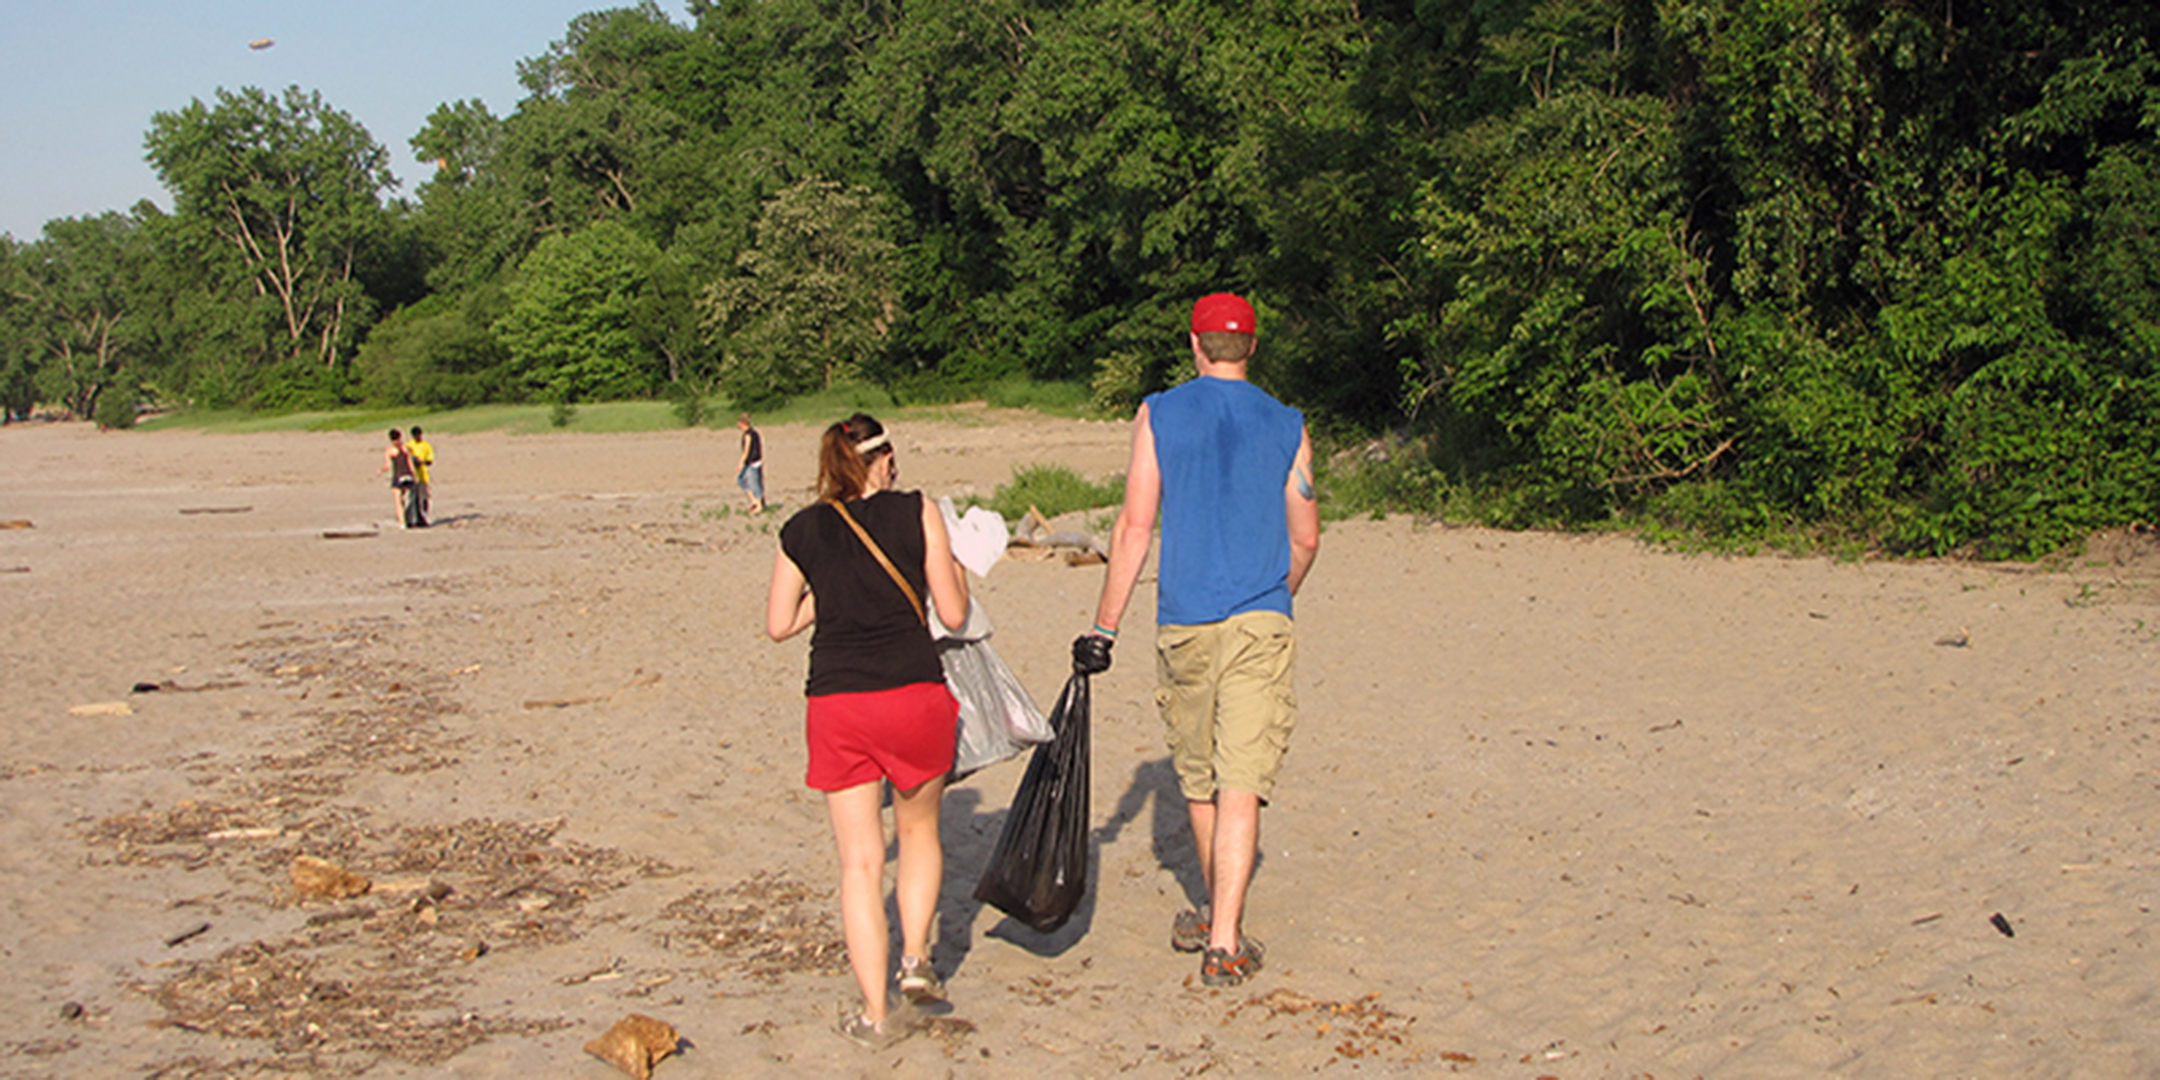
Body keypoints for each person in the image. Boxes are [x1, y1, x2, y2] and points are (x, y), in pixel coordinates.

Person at [1081, 292, 1319, 988]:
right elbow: (1305, 538)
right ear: (1252, 347)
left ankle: (1217, 920)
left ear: (1194, 343)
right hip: (1261, 617)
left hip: (1185, 618)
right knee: (1242, 776)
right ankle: (1225, 941)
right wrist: (1275, 595)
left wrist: (1104, 626)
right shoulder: (1288, 424)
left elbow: (1134, 527)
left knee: (1200, 774)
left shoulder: (1158, 413)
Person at [765, 413, 971, 1047]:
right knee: (918, 832)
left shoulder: (801, 529)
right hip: (913, 692)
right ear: (885, 460)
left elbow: (779, 624)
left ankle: (874, 1016)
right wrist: (954, 567)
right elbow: (955, 614)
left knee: (858, 861)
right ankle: (914, 962)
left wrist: (833, 590)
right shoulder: (919, 510)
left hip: (837, 702)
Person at [376, 429, 422, 528]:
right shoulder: (406, 448)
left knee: (398, 501)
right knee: (407, 497)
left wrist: (380, 471)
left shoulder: (390, 450)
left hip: (398, 476)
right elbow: (410, 464)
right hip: (408, 475)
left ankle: (402, 522)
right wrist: (415, 476)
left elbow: (387, 465)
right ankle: (409, 518)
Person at [736, 413, 766, 513]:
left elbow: (746, 451)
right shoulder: (755, 433)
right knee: (743, 480)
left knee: (753, 484)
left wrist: (740, 463)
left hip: (752, 462)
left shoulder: (748, 435)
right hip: (756, 461)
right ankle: (755, 501)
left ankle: (758, 504)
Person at [407, 425, 436, 522]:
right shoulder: (409, 445)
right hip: (413, 475)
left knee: (425, 497)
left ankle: (423, 516)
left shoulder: (426, 445)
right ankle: (412, 518)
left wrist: (421, 462)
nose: (417, 437)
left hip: (423, 475)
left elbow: (430, 460)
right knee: (413, 498)